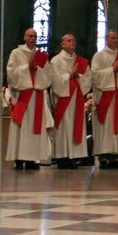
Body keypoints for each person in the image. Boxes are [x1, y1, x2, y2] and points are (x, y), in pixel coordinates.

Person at [5, 28, 53, 170]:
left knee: (34, 128)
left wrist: (37, 68)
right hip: (22, 96)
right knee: (21, 128)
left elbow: (48, 76)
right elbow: (11, 73)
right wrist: (27, 67)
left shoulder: (42, 56)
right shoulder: (16, 53)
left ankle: (32, 159)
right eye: (30, 36)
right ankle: (19, 159)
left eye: (35, 36)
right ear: (24, 37)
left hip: (36, 97)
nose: (32, 38)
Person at [91, 29, 118, 169]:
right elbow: (95, 76)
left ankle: (114, 157)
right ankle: (103, 158)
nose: (115, 40)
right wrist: (111, 70)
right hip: (105, 97)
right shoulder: (99, 56)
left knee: (117, 127)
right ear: (106, 39)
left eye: (117, 38)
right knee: (105, 127)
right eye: (113, 38)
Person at [50, 34, 92, 169]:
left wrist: (78, 75)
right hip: (63, 99)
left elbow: (88, 80)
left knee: (75, 126)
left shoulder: (81, 61)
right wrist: (69, 74)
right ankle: (62, 158)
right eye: (69, 40)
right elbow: (54, 81)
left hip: (76, 99)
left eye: (73, 40)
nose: (72, 42)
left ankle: (73, 157)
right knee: (63, 127)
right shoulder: (56, 61)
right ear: (62, 44)